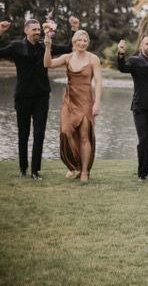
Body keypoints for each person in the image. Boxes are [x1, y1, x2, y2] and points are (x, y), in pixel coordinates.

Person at [0, 17, 79, 179]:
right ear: (26, 31)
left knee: (39, 133)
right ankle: (23, 169)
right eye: (34, 30)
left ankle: (35, 171)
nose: (37, 32)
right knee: (23, 134)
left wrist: (74, 29)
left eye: (38, 30)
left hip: (42, 96)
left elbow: (69, 48)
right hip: (22, 97)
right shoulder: (16, 47)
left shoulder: (46, 45)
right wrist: (0, 31)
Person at [44, 30, 102, 182]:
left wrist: (97, 103)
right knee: (65, 132)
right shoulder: (67, 58)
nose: (82, 43)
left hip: (86, 102)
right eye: (80, 40)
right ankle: (73, 165)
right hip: (69, 101)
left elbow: (99, 83)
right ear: (74, 42)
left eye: (85, 41)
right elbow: (47, 64)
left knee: (84, 137)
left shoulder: (93, 59)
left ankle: (84, 171)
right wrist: (48, 47)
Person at [117, 35, 148, 181]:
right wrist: (121, 53)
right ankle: (142, 173)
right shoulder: (134, 61)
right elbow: (122, 68)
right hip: (140, 108)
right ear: (141, 46)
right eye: (147, 44)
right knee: (143, 140)